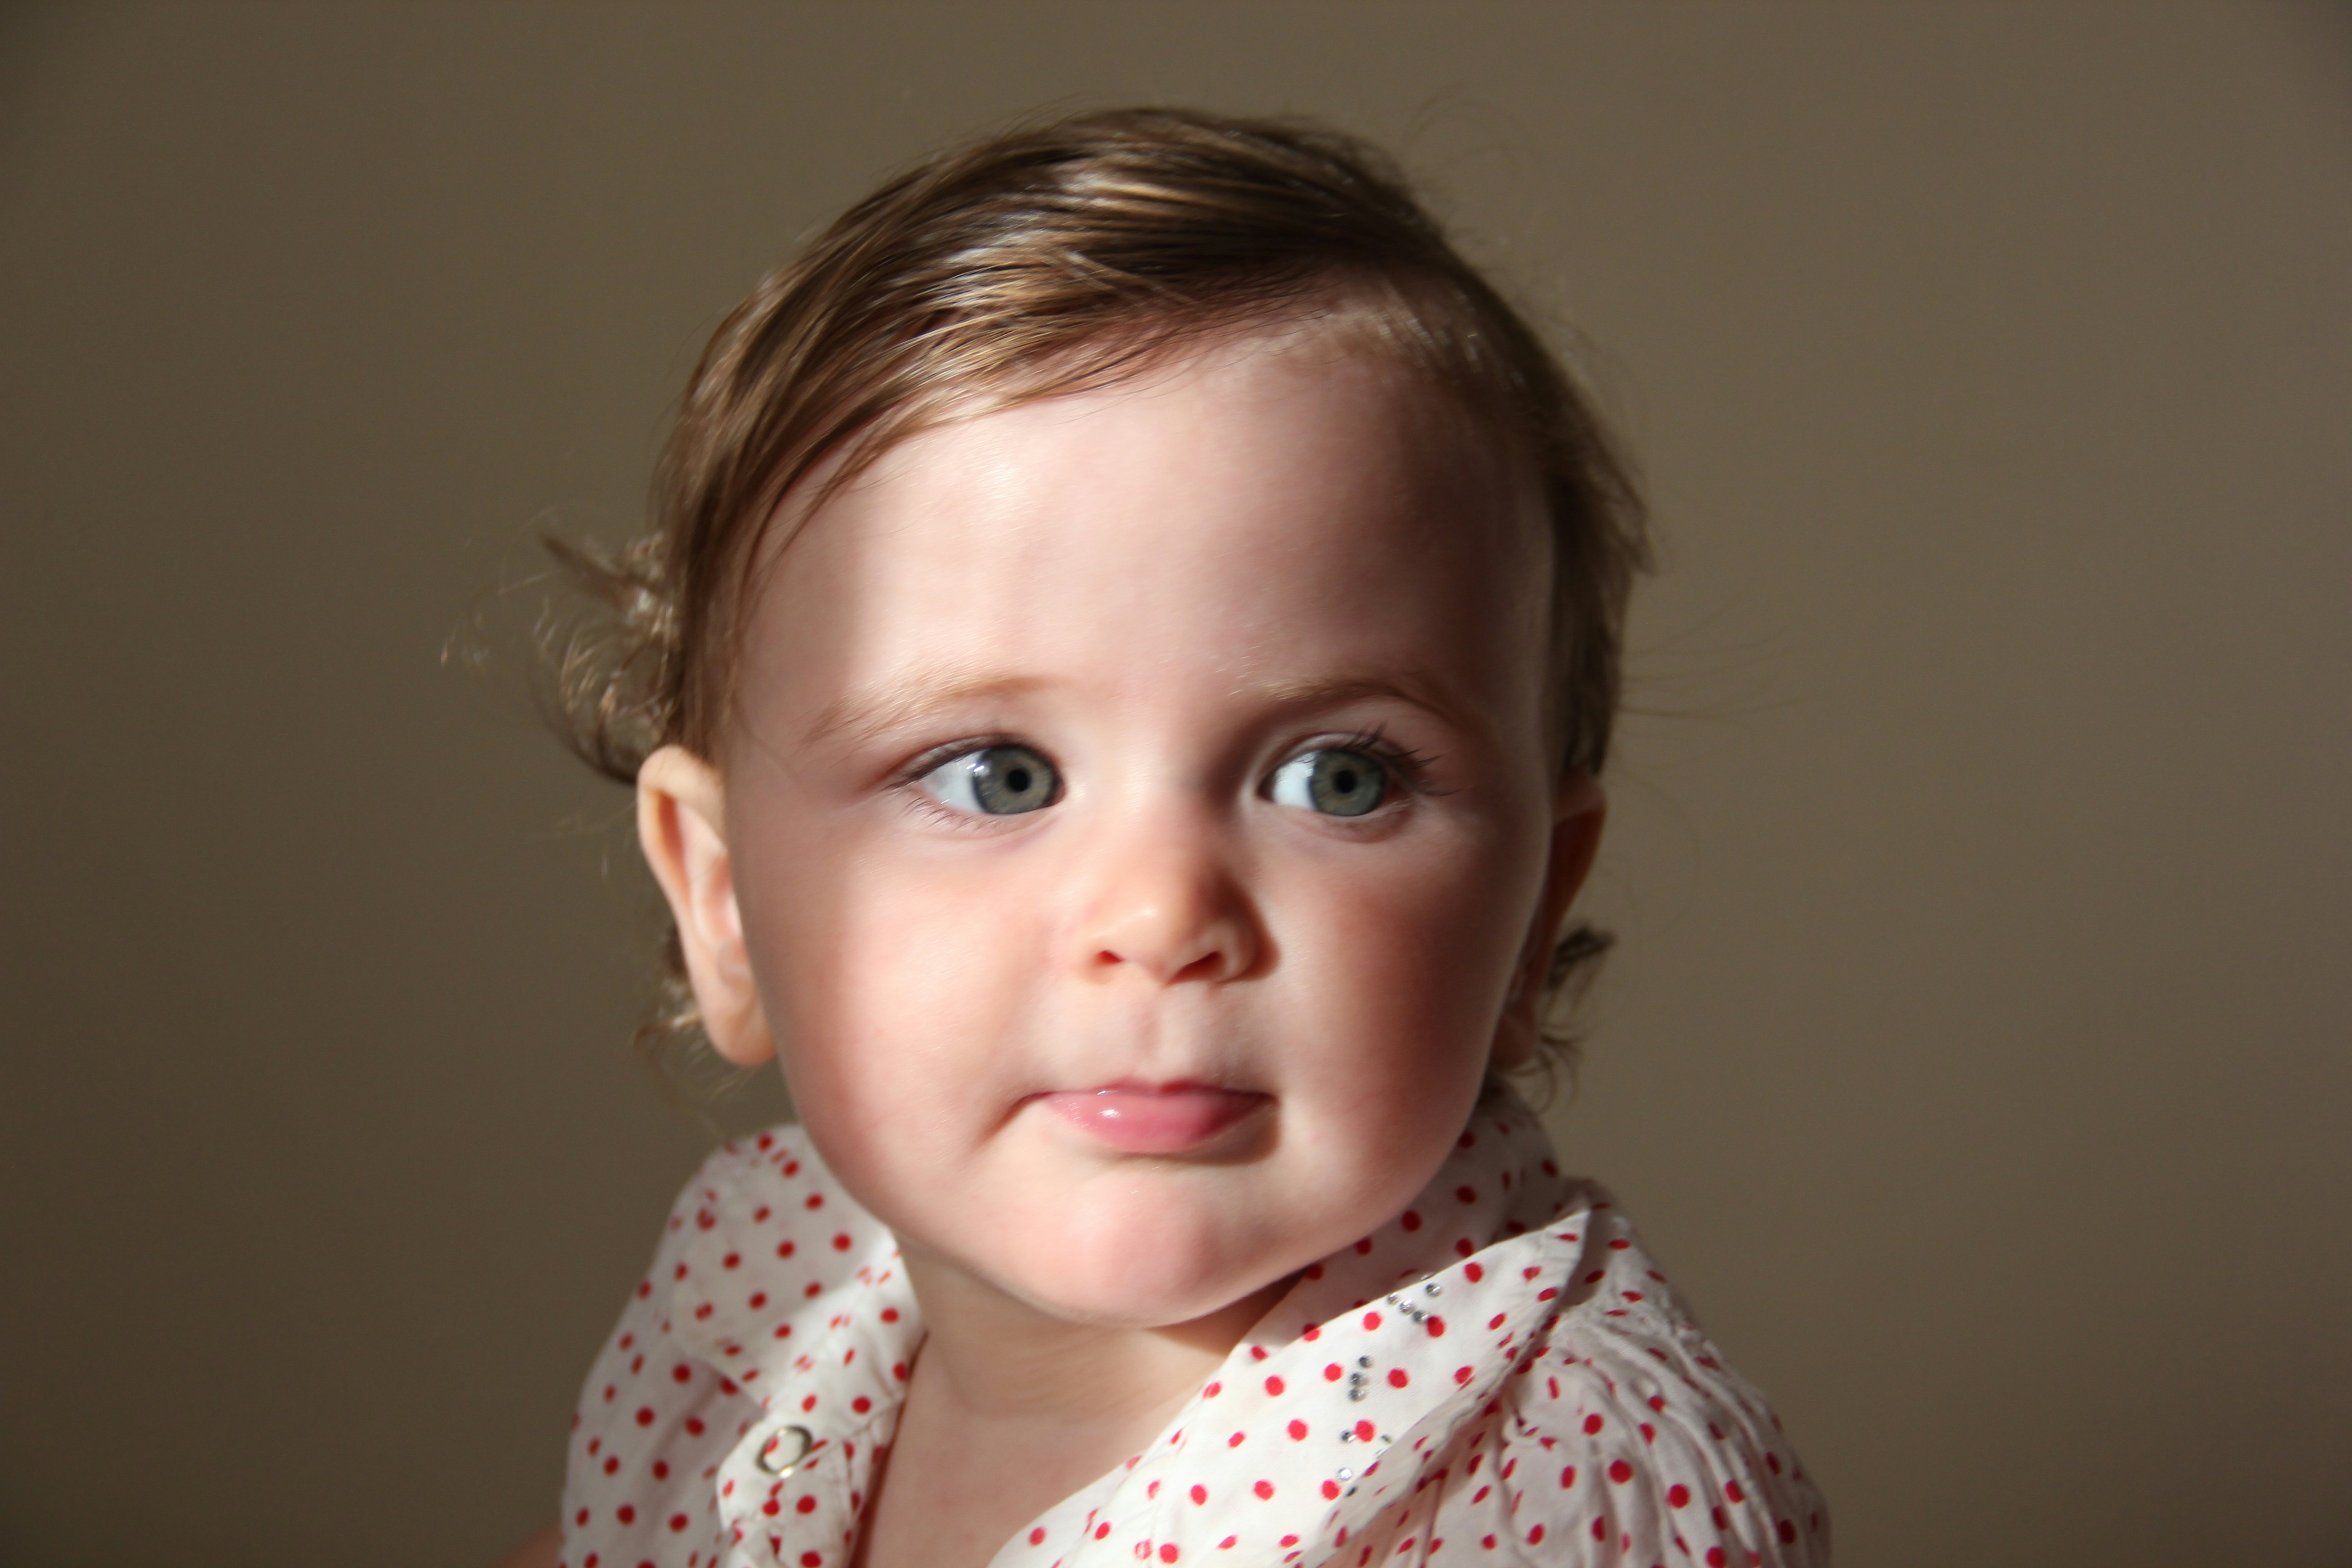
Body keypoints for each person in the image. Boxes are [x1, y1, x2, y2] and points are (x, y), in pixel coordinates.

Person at [500, 107, 1828, 1568]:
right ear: (724, 901)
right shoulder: (769, 1297)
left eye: (1338, 780)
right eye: (998, 776)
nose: (1162, 914)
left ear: (1529, 916)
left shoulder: (1560, 1494)